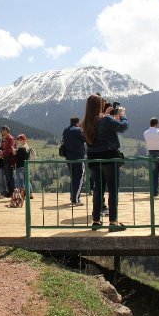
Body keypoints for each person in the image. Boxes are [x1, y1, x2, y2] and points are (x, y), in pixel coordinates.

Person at [83, 94, 129, 232]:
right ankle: (113, 222)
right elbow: (123, 127)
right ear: (99, 106)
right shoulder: (106, 119)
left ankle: (96, 221)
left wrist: (106, 115)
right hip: (110, 157)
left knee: (98, 190)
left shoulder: (85, 122)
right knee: (113, 190)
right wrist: (122, 115)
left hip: (94, 159)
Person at [62, 117, 86, 206]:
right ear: (78, 122)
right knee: (79, 179)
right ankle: (75, 200)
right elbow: (86, 139)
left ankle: (73, 197)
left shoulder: (66, 130)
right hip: (79, 158)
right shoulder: (79, 130)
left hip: (69, 158)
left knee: (74, 178)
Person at [13, 134, 33, 198]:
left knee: (21, 181)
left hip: (20, 167)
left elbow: (17, 158)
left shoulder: (21, 149)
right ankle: (30, 193)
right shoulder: (27, 147)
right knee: (27, 181)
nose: (17, 141)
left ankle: (22, 195)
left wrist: (14, 153)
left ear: (21, 140)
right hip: (26, 166)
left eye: (18, 140)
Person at [0, 125, 16, 197]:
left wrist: (3, 152)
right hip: (6, 158)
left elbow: (10, 149)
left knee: (10, 176)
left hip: (9, 159)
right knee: (7, 176)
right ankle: (10, 191)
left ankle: (12, 192)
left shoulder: (10, 138)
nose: (2, 132)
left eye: (2, 130)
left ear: (6, 130)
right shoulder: (6, 139)